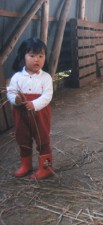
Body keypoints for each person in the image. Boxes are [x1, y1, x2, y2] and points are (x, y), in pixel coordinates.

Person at [7, 37, 54, 180]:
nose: (37, 60)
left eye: (41, 56)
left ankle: (46, 168)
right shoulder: (17, 77)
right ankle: (26, 165)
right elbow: (10, 92)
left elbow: (47, 96)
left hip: (40, 114)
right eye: (32, 56)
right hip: (21, 114)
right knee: (23, 138)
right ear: (23, 56)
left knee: (42, 139)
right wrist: (16, 99)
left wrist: (34, 104)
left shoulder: (45, 77)